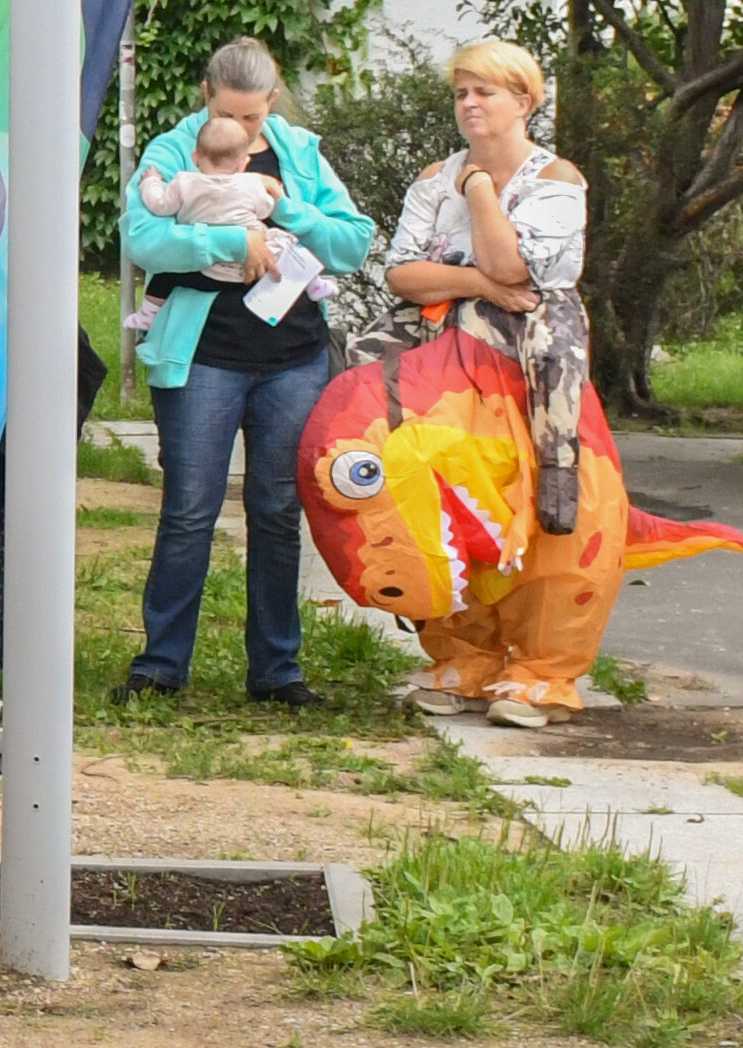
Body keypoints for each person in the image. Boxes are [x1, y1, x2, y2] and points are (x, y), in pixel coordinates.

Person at [118, 37, 377, 702]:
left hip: (292, 359)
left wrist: (283, 206)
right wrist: (236, 240)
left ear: (273, 99)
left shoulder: (299, 151)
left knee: (276, 510)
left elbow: (351, 244)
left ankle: (277, 671)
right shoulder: (174, 149)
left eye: (255, 118)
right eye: (229, 112)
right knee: (188, 510)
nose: (242, 128)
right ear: (206, 94)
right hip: (204, 355)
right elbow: (141, 239)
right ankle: (161, 664)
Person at [374, 37, 604, 721]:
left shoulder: (556, 179)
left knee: (537, 489)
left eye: (486, 92)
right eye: (462, 92)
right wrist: (474, 280)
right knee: (431, 488)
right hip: (443, 347)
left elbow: (519, 273)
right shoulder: (430, 176)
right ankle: (460, 653)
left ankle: (544, 664)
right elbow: (402, 271)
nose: (470, 104)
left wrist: (477, 187)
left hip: (521, 352)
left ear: (524, 101)